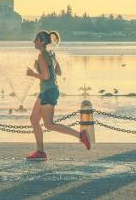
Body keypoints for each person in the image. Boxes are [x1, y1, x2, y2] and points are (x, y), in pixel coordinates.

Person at [25, 30, 91, 160]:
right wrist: (45, 66)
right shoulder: (50, 54)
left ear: (42, 42)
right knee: (33, 119)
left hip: (49, 92)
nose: (34, 41)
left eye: (36, 39)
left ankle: (81, 136)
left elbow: (46, 76)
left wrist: (32, 73)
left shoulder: (42, 56)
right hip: (47, 90)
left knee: (49, 124)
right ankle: (40, 152)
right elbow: (58, 72)